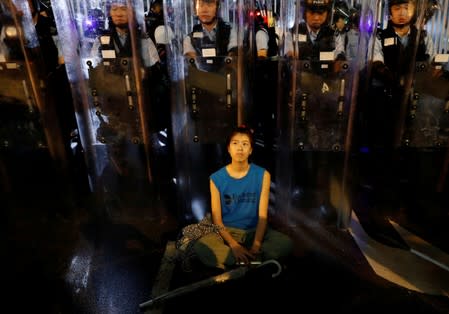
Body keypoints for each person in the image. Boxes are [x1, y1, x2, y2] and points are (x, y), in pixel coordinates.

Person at [190, 126, 294, 270]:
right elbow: (217, 220)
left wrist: (257, 244)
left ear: (250, 150)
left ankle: (240, 260)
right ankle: (253, 261)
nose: (240, 148)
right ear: (228, 148)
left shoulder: (263, 175)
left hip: (254, 231)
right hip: (226, 233)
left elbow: (263, 216)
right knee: (201, 245)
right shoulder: (216, 178)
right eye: (235, 143)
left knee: (285, 243)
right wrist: (233, 245)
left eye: (245, 144)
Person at [183, 0, 237, 71]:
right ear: (195, 10)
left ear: (218, 8)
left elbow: (234, 55)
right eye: (201, 5)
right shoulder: (190, 39)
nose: (205, 10)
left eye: (209, 5)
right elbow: (191, 63)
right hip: (200, 79)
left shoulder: (231, 33)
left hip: (224, 78)